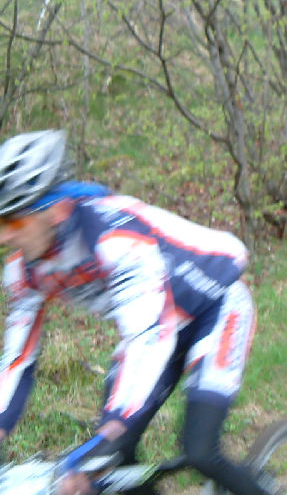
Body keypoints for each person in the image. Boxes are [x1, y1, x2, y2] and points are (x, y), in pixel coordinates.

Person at [0, 129, 269, 495]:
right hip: (157, 324)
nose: (4, 236)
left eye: (14, 221)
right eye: (0, 223)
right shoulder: (25, 270)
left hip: (214, 309)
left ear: (54, 209)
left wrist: (111, 430)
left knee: (199, 450)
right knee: (114, 466)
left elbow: (148, 337)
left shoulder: (114, 239)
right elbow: (17, 359)